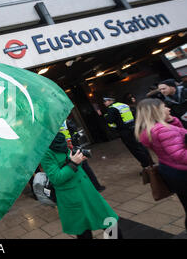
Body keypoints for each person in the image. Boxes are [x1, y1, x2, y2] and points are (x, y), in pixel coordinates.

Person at [40, 132, 123, 239]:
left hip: (88, 191)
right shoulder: (46, 152)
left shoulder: (61, 140)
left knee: (110, 223)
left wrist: (79, 158)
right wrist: (73, 163)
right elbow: (56, 178)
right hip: (72, 196)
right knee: (83, 231)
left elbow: (73, 163)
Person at [135, 98, 187, 230]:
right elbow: (180, 154)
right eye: (165, 107)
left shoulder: (152, 129)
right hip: (181, 172)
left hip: (170, 169)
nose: (168, 109)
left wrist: (172, 121)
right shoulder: (163, 130)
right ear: (156, 111)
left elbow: (180, 139)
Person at [103, 95, 153, 168]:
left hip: (125, 131)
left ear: (111, 101)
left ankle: (146, 166)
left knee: (134, 149)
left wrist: (105, 115)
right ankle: (151, 163)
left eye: (105, 101)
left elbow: (109, 120)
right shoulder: (123, 105)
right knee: (141, 146)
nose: (104, 103)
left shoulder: (111, 109)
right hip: (133, 128)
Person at [59, 120, 106, 192]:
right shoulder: (66, 122)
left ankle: (87, 188)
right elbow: (75, 133)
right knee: (85, 168)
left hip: (65, 151)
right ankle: (96, 187)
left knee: (74, 170)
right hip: (74, 149)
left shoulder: (50, 126)